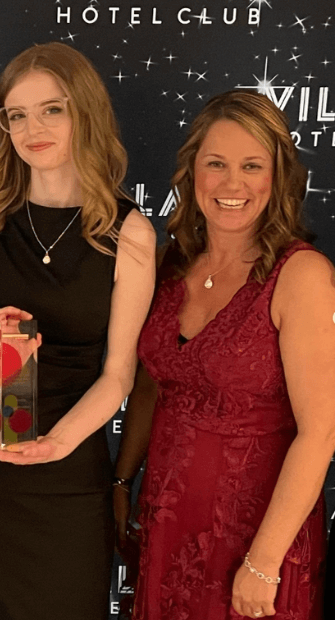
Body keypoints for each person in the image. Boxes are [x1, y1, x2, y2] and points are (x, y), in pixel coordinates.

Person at [0, 41, 156, 620]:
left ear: (84, 110)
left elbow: (119, 375)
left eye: (51, 109)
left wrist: (58, 443)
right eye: (17, 115)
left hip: (73, 461)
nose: (32, 129)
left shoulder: (130, 233)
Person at [114, 90, 334, 619]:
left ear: (277, 178)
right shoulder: (170, 266)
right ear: (193, 172)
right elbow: (149, 387)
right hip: (165, 527)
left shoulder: (300, 275)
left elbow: (321, 432)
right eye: (216, 164)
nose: (232, 184)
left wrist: (264, 562)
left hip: (255, 544)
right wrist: (121, 481)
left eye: (251, 166)